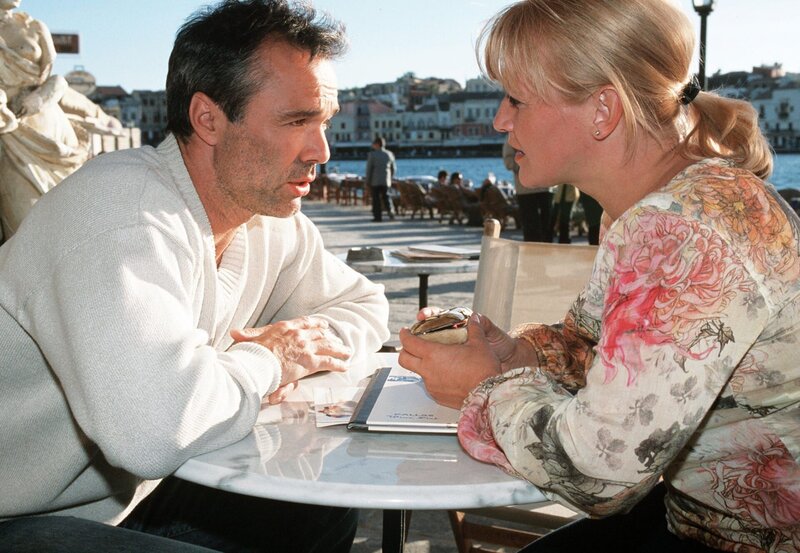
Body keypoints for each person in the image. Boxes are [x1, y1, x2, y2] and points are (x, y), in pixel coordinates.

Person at [398, 1, 799, 552]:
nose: (500, 120)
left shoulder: (681, 229)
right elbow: (595, 348)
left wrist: (483, 389)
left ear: (603, 109)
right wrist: (515, 354)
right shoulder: (649, 209)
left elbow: (601, 471)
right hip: (702, 519)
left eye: (516, 99)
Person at [0, 1, 390, 551]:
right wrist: (267, 361)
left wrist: (292, 350)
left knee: (318, 503)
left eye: (323, 121)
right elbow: (153, 430)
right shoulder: (122, 213)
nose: (321, 150)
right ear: (208, 118)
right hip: (14, 513)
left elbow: (366, 306)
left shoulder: (268, 221)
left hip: (123, 500)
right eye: (296, 121)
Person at [0, 0, 120, 240]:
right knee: (24, 234)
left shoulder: (34, 26)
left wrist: (101, 117)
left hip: (48, 130)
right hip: (8, 135)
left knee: (66, 226)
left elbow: (54, 83)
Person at [503, 138, 552, 242]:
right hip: (526, 189)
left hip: (543, 187)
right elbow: (508, 162)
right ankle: (532, 249)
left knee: (546, 224)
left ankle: (545, 248)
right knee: (530, 224)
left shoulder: (541, 134)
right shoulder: (512, 138)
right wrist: (526, 166)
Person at [365, 136, 395, 222]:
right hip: (386, 180)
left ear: (377, 144)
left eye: (373, 144)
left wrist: (367, 181)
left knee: (376, 199)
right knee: (387, 197)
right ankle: (391, 211)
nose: (372, 145)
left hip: (375, 181)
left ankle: (378, 217)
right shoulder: (389, 154)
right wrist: (390, 178)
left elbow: (369, 169)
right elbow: (393, 168)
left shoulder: (372, 155)